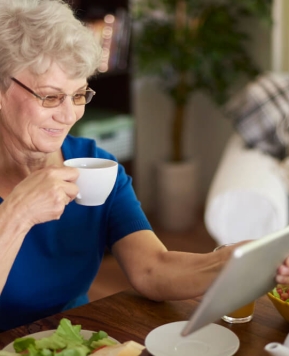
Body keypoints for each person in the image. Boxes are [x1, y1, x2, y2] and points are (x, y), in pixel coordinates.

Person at [0, 0, 289, 332]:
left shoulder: (99, 169)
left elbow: (152, 269)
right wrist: (18, 212)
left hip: (71, 337)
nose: (68, 115)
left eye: (79, 95)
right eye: (50, 97)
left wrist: (235, 261)